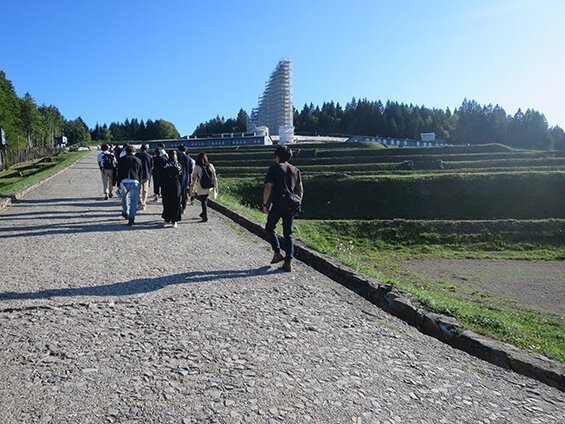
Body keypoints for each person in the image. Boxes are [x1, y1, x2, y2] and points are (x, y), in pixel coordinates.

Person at [262, 145, 303, 272]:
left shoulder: (274, 168)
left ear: (277, 156)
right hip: (291, 204)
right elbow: (300, 189)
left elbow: (268, 187)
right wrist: (298, 204)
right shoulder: (295, 170)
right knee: (288, 234)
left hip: (278, 203)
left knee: (270, 227)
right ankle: (288, 261)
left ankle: (277, 252)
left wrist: (264, 204)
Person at [117, 145, 142, 226]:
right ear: (134, 152)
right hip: (135, 181)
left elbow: (119, 172)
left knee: (124, 198)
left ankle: (126, 212)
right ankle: (132, 218)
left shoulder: (121, 160)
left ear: (126, 151)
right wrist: (140, 182)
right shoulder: (138, 160)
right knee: (134, 201)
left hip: (124, 181)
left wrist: (118, 182)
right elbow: (140, 173)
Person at [191, 152, 218, 222]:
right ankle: (203, 214)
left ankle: (205, 216)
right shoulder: (210, 165)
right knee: (205, 199)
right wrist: (216, 186)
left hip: (201, 186)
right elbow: (214, 176)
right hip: (209, 186)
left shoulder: (197, 167)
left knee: (203, 201)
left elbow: (194, 178)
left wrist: (192, 186)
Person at [161, 150, 184, 228]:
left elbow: (160, 175)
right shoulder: (179, 165)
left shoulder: (164, 164)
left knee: (166, 202)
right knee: (176, 203)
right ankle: (174, 221)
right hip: (176, 185)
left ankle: (167, 219)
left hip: (166, 184)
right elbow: (181, 177)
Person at [135, 144, 154, 210]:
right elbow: (151, 167)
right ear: (147, 150)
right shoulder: (149, 156)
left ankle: (139, 201)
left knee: (137, 190)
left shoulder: (137, 155)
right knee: (145, 190)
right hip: (146, 174)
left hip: (138, 175)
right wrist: (150, 174)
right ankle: (144, 203)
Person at [176, 144, 194, 212]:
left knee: (177, 193)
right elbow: (190, 171)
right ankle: (183, 207)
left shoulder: (176, 157)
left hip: (177, 178)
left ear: (178, 150)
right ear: (186, 150)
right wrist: (191, 180)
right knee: (184, 194)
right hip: (186, 178)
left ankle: (178, 206)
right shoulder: (189, 159)